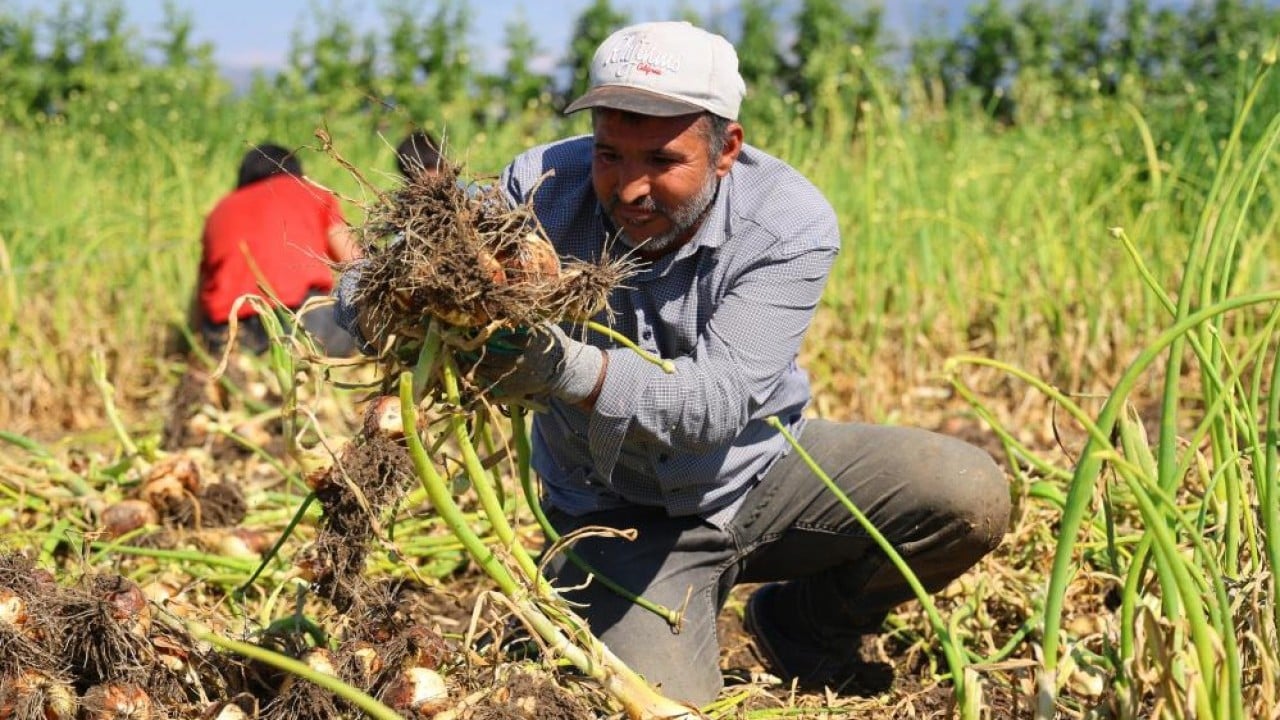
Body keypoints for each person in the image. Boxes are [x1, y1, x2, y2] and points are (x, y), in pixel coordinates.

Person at [339, 21, 1010, 706]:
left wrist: (568, 370)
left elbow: (714, 407)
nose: (629, 188)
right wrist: (385, 298)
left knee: (965, 493)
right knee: (668, 706)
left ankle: (802, 625)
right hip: (617, 515)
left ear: (727, 150)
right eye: (610, 155)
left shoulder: (787, 222)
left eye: (662, 161)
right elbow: (400, 271)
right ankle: (610, 603)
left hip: (759, 473)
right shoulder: (538, 188)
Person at [193, 143, 361, 357]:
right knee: (354, 325)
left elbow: (202, 292)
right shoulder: (311, 192)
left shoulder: (219, 210)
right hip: (303, 324)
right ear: (295, 170)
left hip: (229, 335)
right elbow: (356, 265)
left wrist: (195, 346)